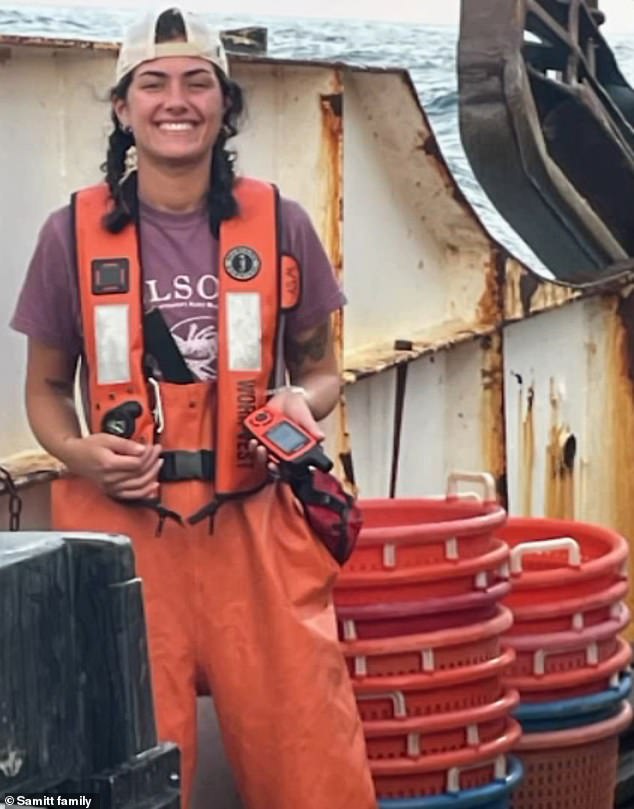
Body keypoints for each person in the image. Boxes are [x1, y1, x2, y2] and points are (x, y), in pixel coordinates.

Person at [10, 7, 377, 809]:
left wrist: (297, 401)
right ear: (123, 107)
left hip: (256, 525)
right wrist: (77, 453)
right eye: (153, 83)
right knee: (120, 763)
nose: (176, 101)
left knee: (312, 759)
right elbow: (43, 390)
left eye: (197, 83)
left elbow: (322, 370)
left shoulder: (282, 223)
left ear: (224, 104)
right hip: (119, 541)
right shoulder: (65, 234)